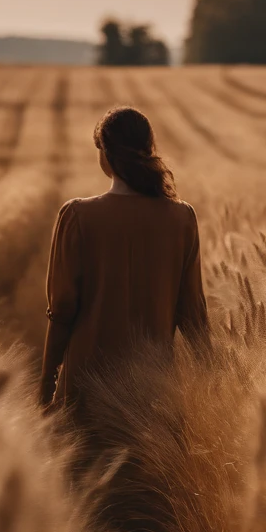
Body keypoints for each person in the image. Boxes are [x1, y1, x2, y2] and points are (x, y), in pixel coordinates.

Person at [40, 106, 208, 411]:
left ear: (105, 154)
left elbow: (62, 309)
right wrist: (216, 378)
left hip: (85, 393)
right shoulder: (182, 218)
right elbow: (193, 313)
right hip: (154, 397)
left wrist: (46, 386)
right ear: (149, 150)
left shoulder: (77, 216)